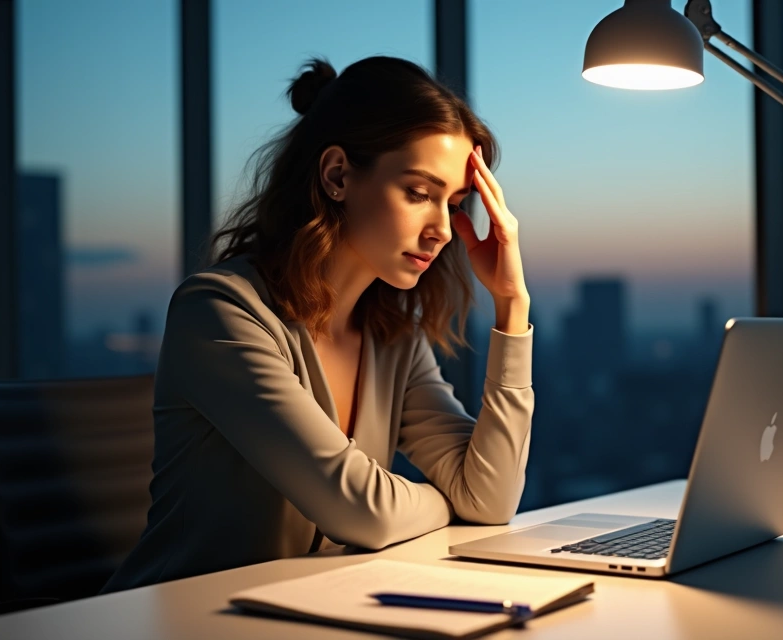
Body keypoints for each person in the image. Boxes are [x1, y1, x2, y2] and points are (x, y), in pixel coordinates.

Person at [101, 55, 533, 593]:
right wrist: (443, 500)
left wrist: (512, 307)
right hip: (177, 622)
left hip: (301, 614)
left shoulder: (393, 338)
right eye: (419, 193)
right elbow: (363, 513)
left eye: (455, 202)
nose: (442, 229)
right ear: (337, 176)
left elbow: (489, 501)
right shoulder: (220, 312)